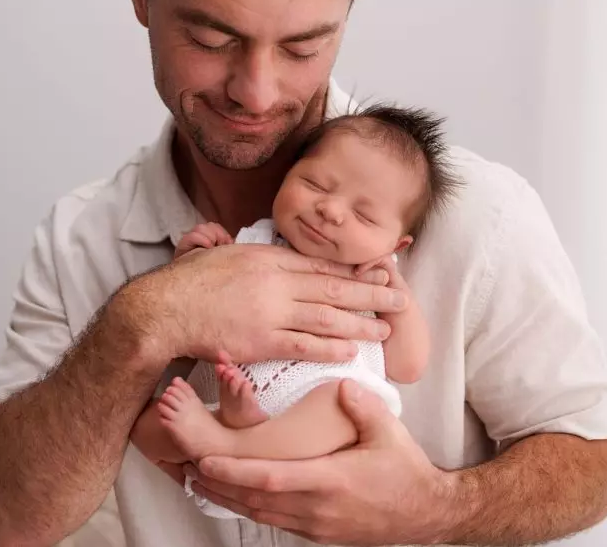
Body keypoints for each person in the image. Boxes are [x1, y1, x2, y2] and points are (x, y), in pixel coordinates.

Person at [0, 0, 607, 546]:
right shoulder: (81, 239)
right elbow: (3, 522)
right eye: (212, 39)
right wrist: (144, 321)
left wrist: (439, 506)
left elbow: (598, 462)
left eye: (302, 45)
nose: (256, 91)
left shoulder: (481, 217)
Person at [129, 104, 454, 520]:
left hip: (304, 436)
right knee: (142, 425)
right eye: (315, 184)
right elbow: (183, 342)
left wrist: (399, 302)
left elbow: (408, 368)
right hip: (217, 426)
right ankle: (235, 427)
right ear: (286, 177)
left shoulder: (376, 282)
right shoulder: (248, 243)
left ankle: (232, 442)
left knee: (350, 403)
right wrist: (189, 268)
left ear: (396, 245)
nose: (331, 211)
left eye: (363, 214)